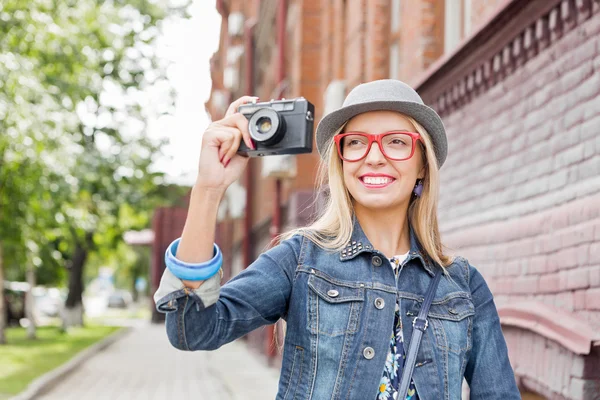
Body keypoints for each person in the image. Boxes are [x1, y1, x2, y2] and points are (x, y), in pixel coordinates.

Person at [154, 79, 521, 399]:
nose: (374, 158)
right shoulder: (301, 260)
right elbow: (193, 330)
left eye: (396, 142)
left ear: (423, 162)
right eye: (356, 142)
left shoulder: (462, 284)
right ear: (341, 162)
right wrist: (207, 190)